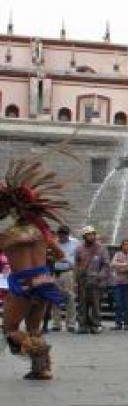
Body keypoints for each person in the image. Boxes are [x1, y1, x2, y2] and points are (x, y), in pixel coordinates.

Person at [0, 160, 68, 379]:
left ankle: (38, 350)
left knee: (10, 328)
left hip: (22, 283)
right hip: (44, 281)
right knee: (34, 327)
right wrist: (43, 255)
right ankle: (42, 369)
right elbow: (60, 255)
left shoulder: (7, 235)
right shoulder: (42, 233)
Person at [74, 226, 110, 334]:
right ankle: (82, 324)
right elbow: (76, 264)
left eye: (93, 234)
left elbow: (106, 265)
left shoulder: (101, 248)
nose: (91, 236)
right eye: (89, 234)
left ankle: (95, 324)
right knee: (82, 304)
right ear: (84, 236)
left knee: (95, 304)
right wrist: (76, 280)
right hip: (83, 280)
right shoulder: (79, 248)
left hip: (96, 280)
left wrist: (100, 276)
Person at [50, 224, 80, 331]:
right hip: (55, 272)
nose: (62, 236)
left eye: (64, 234)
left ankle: (71, 323)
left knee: (70, 297)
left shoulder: (75, 243)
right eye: (60, 234)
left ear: (68, 234)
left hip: (68, 272)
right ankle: (56, 323)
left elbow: (78, 258)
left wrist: (66, 259)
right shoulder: (53, 242)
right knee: (55, 298)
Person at [109, 237, 128, 329]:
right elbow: (112, 264)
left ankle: (127, 323)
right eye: (124, 244)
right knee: (118, 303)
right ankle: (118, 323)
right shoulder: (117, 254)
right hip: (117, 282)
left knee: (127, 303)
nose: (126, 246)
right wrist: (125, 265)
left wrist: (120, 267)